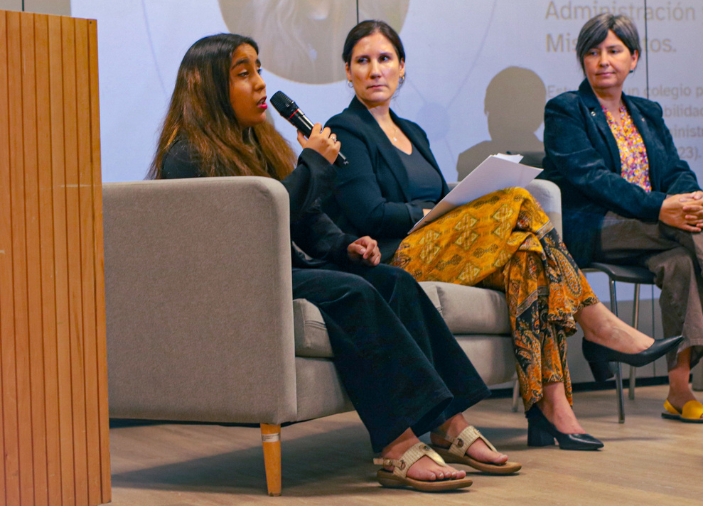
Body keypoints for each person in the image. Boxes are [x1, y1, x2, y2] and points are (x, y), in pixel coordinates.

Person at [148, 33, 523, 492]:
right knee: (353, 292)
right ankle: (395, 446)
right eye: (243, 74)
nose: (261, 85)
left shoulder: (258, 142)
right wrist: (313, 167)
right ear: (207, 88)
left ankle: (449, 423)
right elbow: (253, 224)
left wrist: (346, 245)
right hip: (239, 283)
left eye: (259, 70)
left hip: (280, 271)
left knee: (391, 280)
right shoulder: (187, 155)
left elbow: (304, 220)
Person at [324, 20, 682, 450]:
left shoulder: (414, 133)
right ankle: (595, 319)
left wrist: (457, 202)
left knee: (528, 259)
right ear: (348, 71)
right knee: (517, 199)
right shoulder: (346, 129)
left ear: (402, 67)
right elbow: (371, 213)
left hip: (438, 248)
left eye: (385, 59)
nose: (375, 70)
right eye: (363, 61)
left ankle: (552, 407)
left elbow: (443, 198)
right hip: (393, 257)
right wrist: (430, 212)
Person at [541, 13, 703, 424]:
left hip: (654, 232)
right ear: (582, 61)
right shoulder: (566, 110)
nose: (603, 61)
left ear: (634, 58)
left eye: (613, 51)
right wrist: (663, 208)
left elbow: (674, 169)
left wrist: (692, 198)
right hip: (594, 227)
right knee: (678, 228)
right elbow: (592, 179)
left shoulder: (647, 112)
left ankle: (680, 392)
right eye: (592, 53)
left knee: (682, 262)